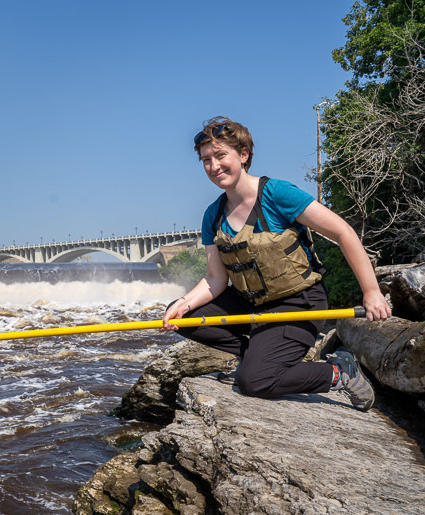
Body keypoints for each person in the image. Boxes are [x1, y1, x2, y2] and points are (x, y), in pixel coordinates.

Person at [162, 116, 392, 411]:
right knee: (184, 314)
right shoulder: (213, 215)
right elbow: (215, 279)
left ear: (243, 155)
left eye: (221, 155)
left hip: (299, 303)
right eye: (206, 160)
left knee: (254, 382)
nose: (214, 166)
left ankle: (338, 373)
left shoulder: (275, 194)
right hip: (254, 304)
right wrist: (182, 303)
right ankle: (257, 356)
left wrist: (371, 292)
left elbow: (342, 232)